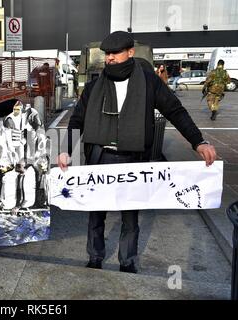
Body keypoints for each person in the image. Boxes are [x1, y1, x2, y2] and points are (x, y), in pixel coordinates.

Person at [56, 31, 217, 274]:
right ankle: (95, 257)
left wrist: (198, 142)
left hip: (133, 160)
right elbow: (77, 120)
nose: (109, 58)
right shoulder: (93, 87)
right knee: (96, 213)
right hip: (100, 157)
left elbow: (176, 111)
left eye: (115, 53)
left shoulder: (149, 82)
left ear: (130, 52)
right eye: (107, 54)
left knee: (130, 216)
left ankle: (128, 261)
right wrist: (66, 151)